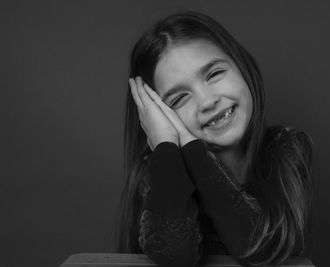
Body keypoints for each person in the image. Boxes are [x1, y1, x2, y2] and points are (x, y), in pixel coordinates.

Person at [115, 10, 314, 267]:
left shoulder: (286, 148)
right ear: (158, 117)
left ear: (243, 67)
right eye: (179, 99)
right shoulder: (160, 173)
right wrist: (171, 146)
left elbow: (260, 248)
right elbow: (175, 256)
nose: (208, 101)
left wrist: (191, 147)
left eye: (214, 74)